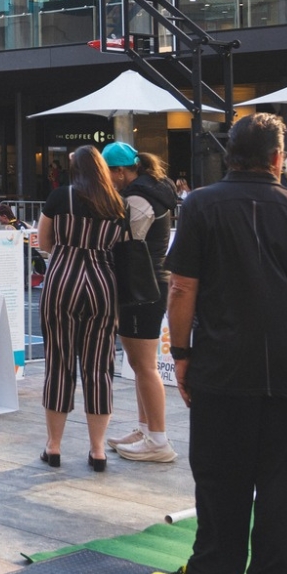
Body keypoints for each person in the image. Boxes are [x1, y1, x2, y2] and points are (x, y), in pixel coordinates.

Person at [149, 112, 287, 574]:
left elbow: (182, 288)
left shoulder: (201, 205)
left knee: (219, 476)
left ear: (228, 155)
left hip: (221, 364)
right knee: (281, 481)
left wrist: (182, 353)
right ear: (279, 158)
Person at [36, 146, 126, 472]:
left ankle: (54, 446)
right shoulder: (117, 204)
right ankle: (98, 450)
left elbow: (43, 242)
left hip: (63, 279)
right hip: (103, 283)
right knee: (99, 367)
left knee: (59, 364)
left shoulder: (61, 197)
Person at [104, 144, 178, 463]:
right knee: (139, 365)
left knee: (145, 366)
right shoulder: (153, 191)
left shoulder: (137, 199)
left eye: (107, 173)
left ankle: (158, 440)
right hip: (149, 284)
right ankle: (146, 429)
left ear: (120, 172)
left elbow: (122, 241)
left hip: (141, 287)